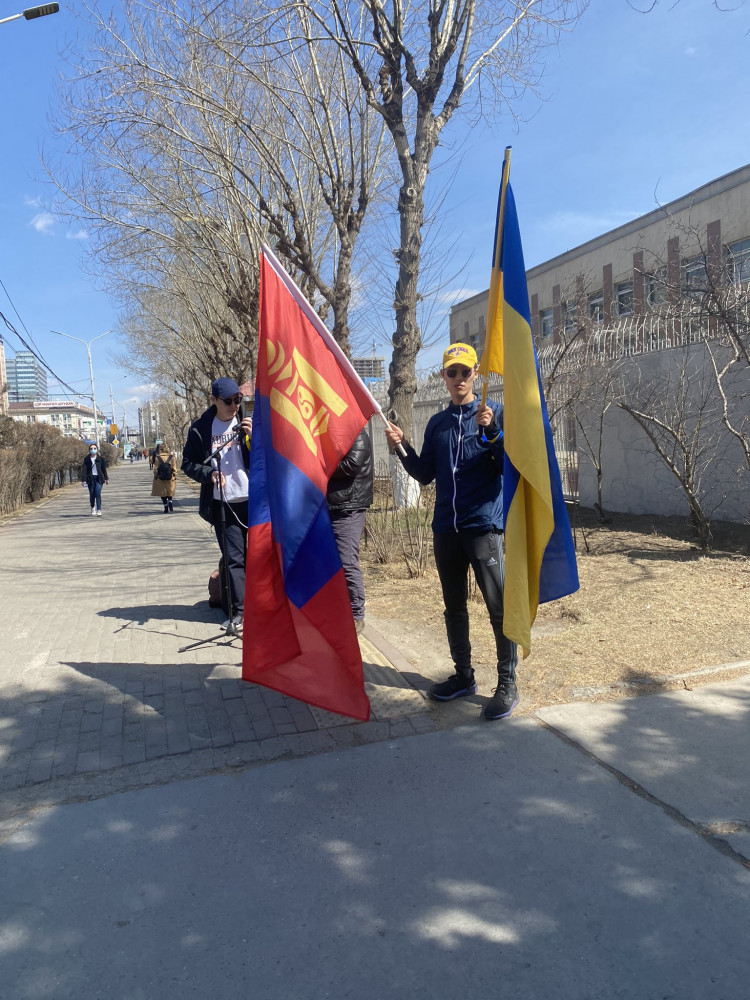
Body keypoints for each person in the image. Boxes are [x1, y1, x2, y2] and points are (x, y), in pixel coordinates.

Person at [384, 342, 519, 721]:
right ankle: (463, 676)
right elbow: (425, 474)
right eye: (451, 372)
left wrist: (492, 432)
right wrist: (401, 447)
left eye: (465, 371)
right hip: (446, 528)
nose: (458, 378)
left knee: (498, 608)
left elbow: (505, 467)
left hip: (483, 527)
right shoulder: (438, 424)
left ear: (476, 374)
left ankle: (507, 682)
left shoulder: (493, 414)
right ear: (443, 377)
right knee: (454, 608)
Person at [182, 377, 253, 630]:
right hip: (223, 504)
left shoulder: (249, 421)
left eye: (238, 399)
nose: (234, 405)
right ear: (213, 400)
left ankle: (265, 609)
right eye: (228, 401)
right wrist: (208, 475)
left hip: (254, 501)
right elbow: (188, 463)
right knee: (234, 560)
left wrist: (254, 439)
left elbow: (269, 458)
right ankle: (239, 613)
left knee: (260, 557)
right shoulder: (201, 429)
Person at [326, 428, 374, 635]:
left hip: (349, 507)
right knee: (331, 563)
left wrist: (320, 465)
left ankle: (356, 615)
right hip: (332, 505)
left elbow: (351, 465)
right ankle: (338, 610)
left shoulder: (357, 434)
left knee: (347, 562)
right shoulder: (335, 434)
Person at [81, 443, 109, 517]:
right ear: (89, 450)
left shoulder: (100, 459)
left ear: (97, 449)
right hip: (90, 479)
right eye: (91, 448)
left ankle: (99, 509)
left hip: (99, 478)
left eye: (94, 448)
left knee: (97, 493)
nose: (93, 450)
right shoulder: (86, 459)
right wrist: (83, 480)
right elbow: (84, 470)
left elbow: (104, 469)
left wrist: (106, 478)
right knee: (92, 494)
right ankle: (93, 507)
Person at [151, 441, 177, 513]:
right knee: (169, 492)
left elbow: (155, 469)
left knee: (162, 493)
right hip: (170, 477)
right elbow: (174, 468)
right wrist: (174, 475)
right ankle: (170, 502)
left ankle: (165, 507)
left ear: (160, 449)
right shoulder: (172, 457)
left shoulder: (157, 458)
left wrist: (156, 476)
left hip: (160, 478)